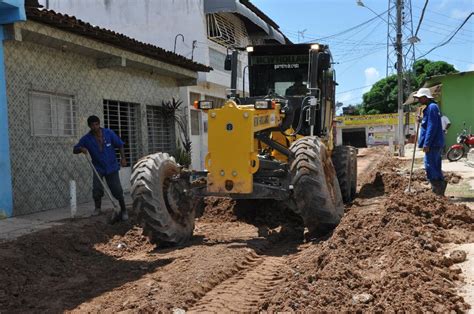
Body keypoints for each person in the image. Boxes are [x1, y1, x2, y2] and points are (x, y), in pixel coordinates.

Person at [73, 115, 129, 222]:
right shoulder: (86, 139)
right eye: (92, 125)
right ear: (89, 126)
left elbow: (120, 144)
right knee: (97, 188)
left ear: (99, 124)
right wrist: (81, 148)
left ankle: (124, 210)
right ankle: (97, 209)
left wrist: (123, 158)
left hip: (111, 167)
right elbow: (74, 149)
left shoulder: (109, 133)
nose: (95, 127)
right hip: (98, 168)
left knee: (117, 189)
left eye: (96, 124)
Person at [414, 88, 447, 196]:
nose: (418, 99)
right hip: (434, 143)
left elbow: (432, 127)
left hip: (433, 143)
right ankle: (439, 190)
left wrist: (427, 143)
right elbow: (428, 123)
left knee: (430, 166)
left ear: (425, 97)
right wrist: (421, 120)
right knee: (435, 165)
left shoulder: (432, 107)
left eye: (420, 97)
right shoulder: (430, 108)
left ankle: (437, 190)